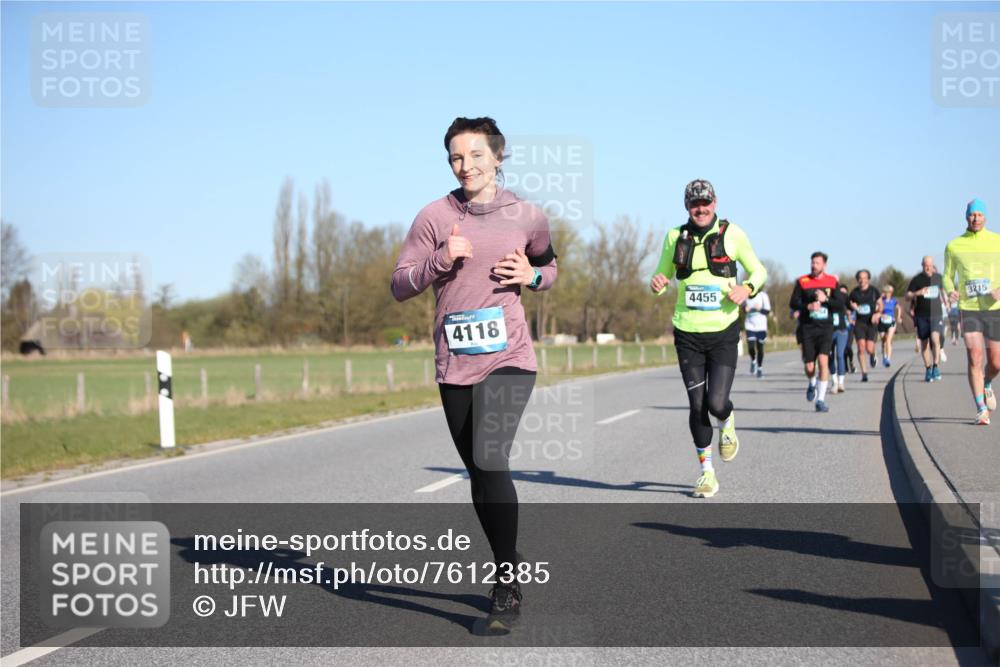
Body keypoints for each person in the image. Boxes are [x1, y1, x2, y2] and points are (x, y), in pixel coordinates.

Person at [391, 116, 558, 630]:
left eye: (476, 156)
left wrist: (530, 275)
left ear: (498, 158)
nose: (466, 166)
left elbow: (549, 270)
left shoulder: (527, 215)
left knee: (490, 456)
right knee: (480, 472)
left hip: (510, 357)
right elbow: (400, 284)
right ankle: (508, 563)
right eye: (456, 158)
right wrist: (440, 260)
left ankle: (505, 582)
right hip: (454, 360)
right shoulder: (434, 216)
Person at [651, 179, 767, 498]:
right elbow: (661, 277)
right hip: (687, 332)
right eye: (694, 204)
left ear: (714, 203)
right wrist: (658, 282)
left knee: (716, 403)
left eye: (705, 203)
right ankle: (706, 473)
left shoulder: (733, 234)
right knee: (697, 404)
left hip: (723, 332)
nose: (700, 209)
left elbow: (759, 271)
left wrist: (748, 288)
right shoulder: (675, 236)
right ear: (686, 207)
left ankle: (727, 422)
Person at [942, 198, 1000, 425]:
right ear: (966, 216)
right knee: (975, 356)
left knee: (996, 362)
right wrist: (950, 290)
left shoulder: (997, 241)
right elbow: (947, 275)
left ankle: (987, 382)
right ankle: (981, 408)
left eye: (979, 215)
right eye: (972, 215)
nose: (975, 218)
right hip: (969, 308)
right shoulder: (954, 245)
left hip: (994, 308)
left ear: (986, 217)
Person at [790, 251, 843, 412]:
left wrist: (826, 299)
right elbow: (793, 302)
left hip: (825, 327)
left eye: (817, 263)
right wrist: (808, 306)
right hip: (807, 327)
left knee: (823, 361)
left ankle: (820, 400)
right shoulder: (802, 281)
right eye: (812, 262)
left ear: (824, 265)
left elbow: (840, 304)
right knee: (810, 367)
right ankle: (812, 382)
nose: (814, 265)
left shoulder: (832, 281)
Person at [906, 256, 947, 382]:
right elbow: (907, 296)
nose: (928, 267)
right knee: (924, 344)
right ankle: (928, 368)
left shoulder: (938, 277)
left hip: (936, 314)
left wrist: (947, 301)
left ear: (932, 265)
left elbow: (943, 290)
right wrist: (917, 293)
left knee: (935, 339)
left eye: (930, 265)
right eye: (925, 265)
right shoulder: (917, 279)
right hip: (921, 315)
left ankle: (936, 366)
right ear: (922, 265)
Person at [849, 270, 880, 382]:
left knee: (869, 348)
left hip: (871, 323)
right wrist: (851, 309)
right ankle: (864, 373)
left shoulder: (874, 291)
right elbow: (848, 307)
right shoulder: (854, 293)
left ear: (868, 279)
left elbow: (881, 305)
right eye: (860, 278)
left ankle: (873, 354)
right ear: (857, 279)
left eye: (864, 278)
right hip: (859, 323)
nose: (862, 280)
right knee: (861, 348)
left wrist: (877, 314)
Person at [828, 284, 850, 393]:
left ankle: (841, 382)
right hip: (828, 331)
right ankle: (834, 381)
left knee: (840, 355)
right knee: (829, 355)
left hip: (841, 330)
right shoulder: (825, 298)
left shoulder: (842, 298)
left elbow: (849, 304)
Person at [744, 289, 771, 378]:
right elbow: (743, 308)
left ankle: (759, 368)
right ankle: (753, 361)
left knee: (760, 348)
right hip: (750, 325)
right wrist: (745, 309)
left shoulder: (763, 295)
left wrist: (760, 309)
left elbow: (767, 311)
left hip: (761, 326)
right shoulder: (746, 294)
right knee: (751, 347)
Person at [876, 285, 901, 367]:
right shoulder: (881, 301)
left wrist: (898, 317)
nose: (887, 294)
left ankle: (888, 359)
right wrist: (880, 314)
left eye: (889, 292)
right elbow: (876, 308)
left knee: (888, 340)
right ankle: (884, 356)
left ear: (891, 293)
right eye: (886, 292)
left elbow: (899, 308)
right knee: (883, 341)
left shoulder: (893, 301)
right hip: (882, 322)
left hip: (891, 321)